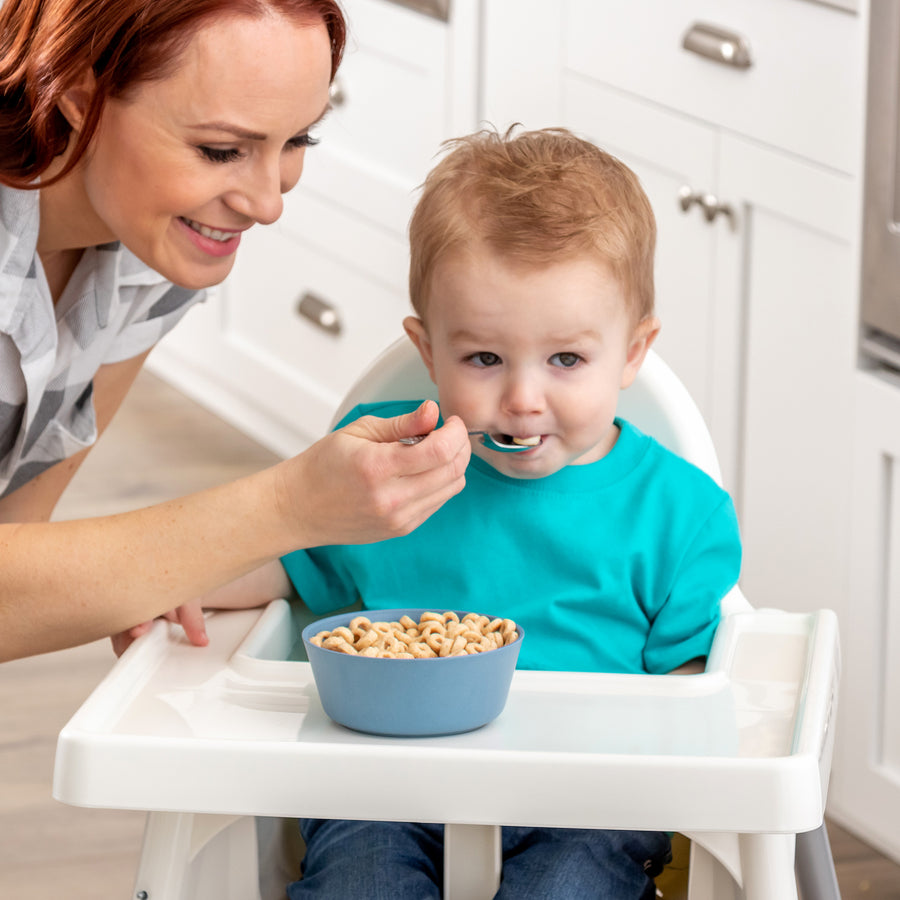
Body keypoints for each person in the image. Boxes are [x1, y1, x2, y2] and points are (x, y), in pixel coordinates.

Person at [202, 126, 743, 899]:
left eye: (566, 360)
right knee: (361, 883)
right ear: (429, 351)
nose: (523, 398)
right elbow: (285, 561)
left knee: (566, 888)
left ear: (632, 351)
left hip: (587, 802)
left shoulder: (679, 516)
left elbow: (695, 701)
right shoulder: (385, 469)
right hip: (386, 779)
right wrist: (179, 579)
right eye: (484, 359)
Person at [0, 0, 471, 664]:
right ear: (80, 95)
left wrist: (151, 573)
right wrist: (289, 505)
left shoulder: (150, 253)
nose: (269, 202)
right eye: (221, 149)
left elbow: (16, 549)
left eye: (298, 140)